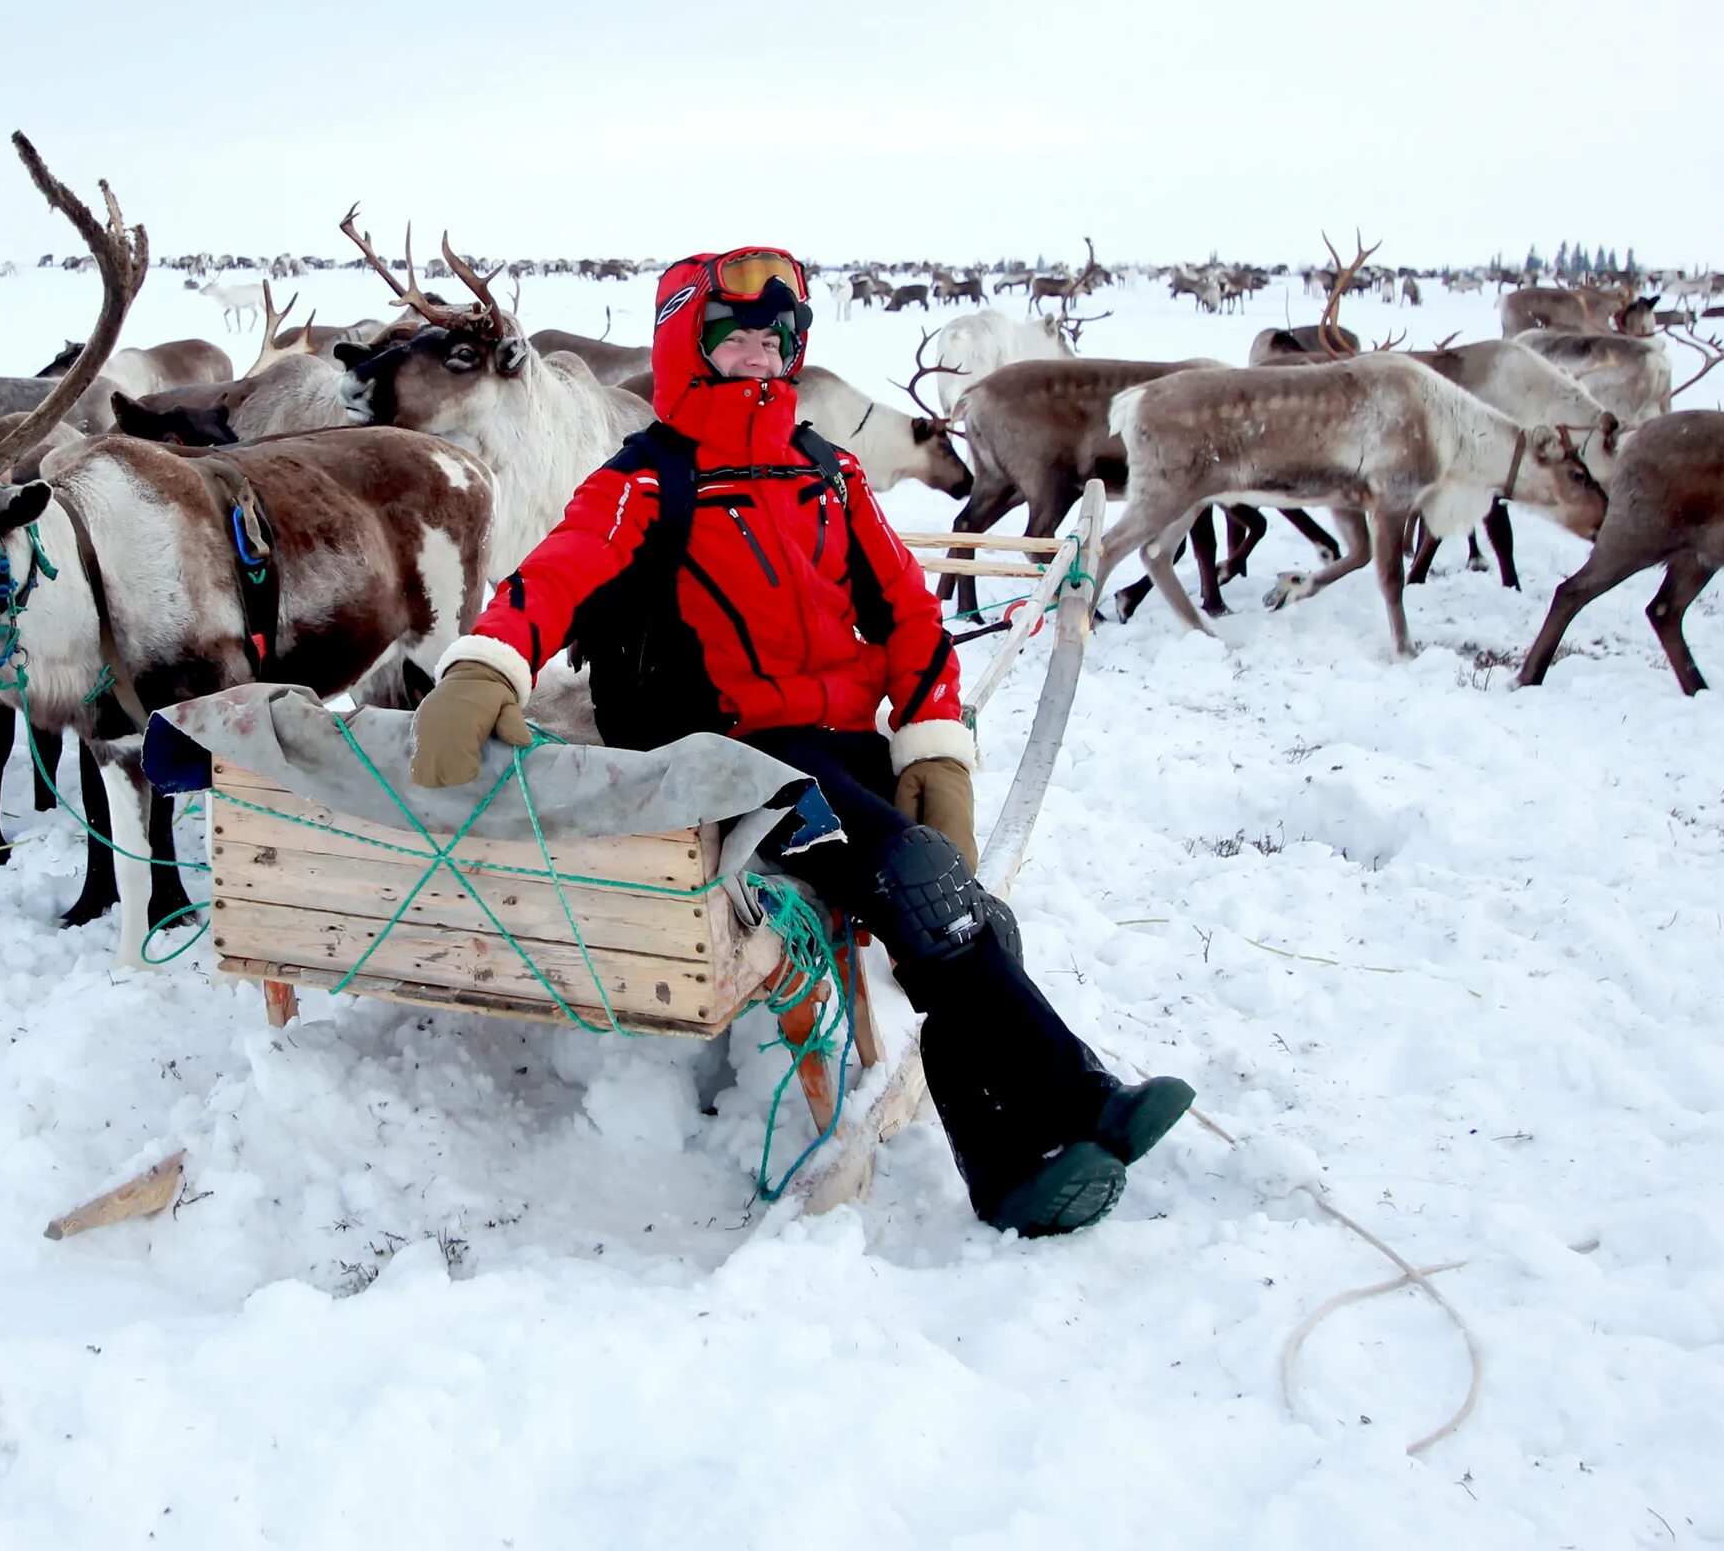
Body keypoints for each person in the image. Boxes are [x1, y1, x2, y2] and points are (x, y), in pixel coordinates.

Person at [407, 247, 1192, 1236]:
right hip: (731, 753)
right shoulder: (646, 479)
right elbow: (552, 579)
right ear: (686, 347)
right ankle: (1081, 1098)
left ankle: (1006, 1167)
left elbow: (910, 617)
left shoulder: (827, 473)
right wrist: (486, 665)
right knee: (920, 884)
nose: (757, 360)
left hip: (839, 740)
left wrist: (934, 751)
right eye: (733, 340)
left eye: (776, 343)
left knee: (964, 914)